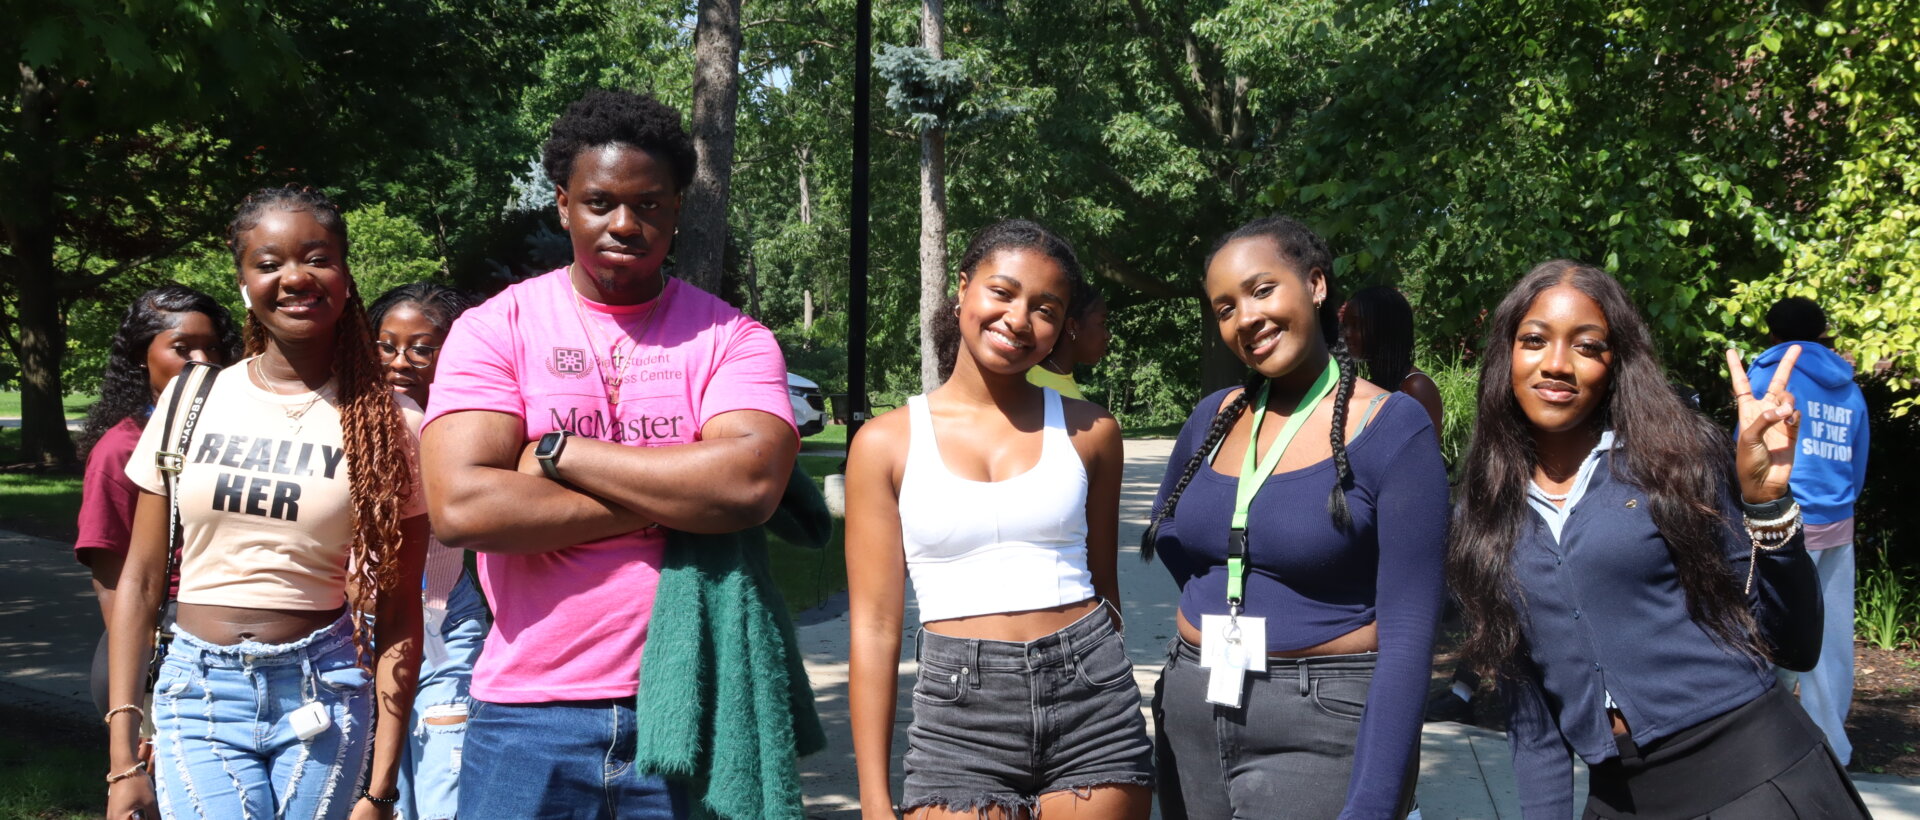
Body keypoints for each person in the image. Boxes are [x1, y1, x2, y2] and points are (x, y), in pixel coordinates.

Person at [420, 89, 803, 819]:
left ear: (678, 209)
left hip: (688, 705)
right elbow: (464, 509)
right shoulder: (496, 329)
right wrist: (679, 493)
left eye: (649, 204)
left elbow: (747, 487)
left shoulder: (732, 339)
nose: (625, 223)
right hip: (528, 714)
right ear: (564, 205)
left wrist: (560, 453)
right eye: (600, 203)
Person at [1447, 260, 1865, 818]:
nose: (1557, 363)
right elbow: (1532, 717)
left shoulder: (1676, 464)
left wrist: (1767, 504)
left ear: (1616, 363)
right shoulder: (1483, 513)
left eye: (1587, 346)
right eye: (1534, 340)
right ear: (1507, 354)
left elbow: (1793, 644)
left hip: (1756, 784)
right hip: (1618, 798)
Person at [105, 185, 430, 820]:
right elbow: (139, 583)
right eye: (269, 262)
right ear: (243, 283)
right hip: (198, 691)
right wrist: (123, 760)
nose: (295, 278)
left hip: (325, 687)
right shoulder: (191, 399)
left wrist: (381, 789)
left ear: (345, 277)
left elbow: (399, 613)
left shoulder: (392, 423)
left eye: (318, 258)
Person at [846, 218, 1151, 819]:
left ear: (1063, 326)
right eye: (1003, 292)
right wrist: (874, 800)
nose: (1019, 319)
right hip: (959, 721)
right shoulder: (885, 443)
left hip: (1093, 703)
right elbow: (875, 628)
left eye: (1045, 308)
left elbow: (1105, 587)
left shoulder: (1092, 431)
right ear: (963, 288)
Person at [1144, 215, 1448, 818]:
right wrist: (1232, 598)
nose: (1245, 318)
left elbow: (1411, 635)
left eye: (1262, 290)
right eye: (1225, 308)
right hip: (1193, 706)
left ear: (1315, 284)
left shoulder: (1392, 427)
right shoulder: (1213, 417)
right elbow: (1170, 529)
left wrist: (1375, 803)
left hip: (1322, 720)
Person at [75, 285, 241, 715]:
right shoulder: (121, 450)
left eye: (213, 347)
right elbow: (111, 582)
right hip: (160, 646)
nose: (203, 361)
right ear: (140, 356)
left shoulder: (237, 437)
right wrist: (139, 690)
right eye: (182, 348)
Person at [367, 282, 485, 820]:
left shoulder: (475, 427)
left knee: (445, 788)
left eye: (421, 349)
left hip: (444, 623)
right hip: (357, 633)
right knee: (379, 793)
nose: (399, 362)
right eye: (386, 345)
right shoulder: (345, 423)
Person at [1748, 295, 1871, 766]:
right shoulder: (1848, 386)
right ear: (1822, 333)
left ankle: (1768, 744)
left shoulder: (1768, 376)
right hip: (1837, 522)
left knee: (1769, 631)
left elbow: (1748, 449)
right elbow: (1857, 461)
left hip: (1782, 522)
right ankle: (1833, 749)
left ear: (1773, 334)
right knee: (1832, 639)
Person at [1340, 285, 1442, 430]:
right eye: (1345, 326)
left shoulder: (1415, 387)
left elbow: (1426, 444)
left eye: (1357, 325)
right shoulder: (1371, 384)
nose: (1347, 334)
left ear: (1384, 328)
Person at [1027, 286, 1111, 400]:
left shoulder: (1054, 379)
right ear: (1072, 326)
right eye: (1102, 323)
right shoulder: (1033, 385)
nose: (1108, 335)